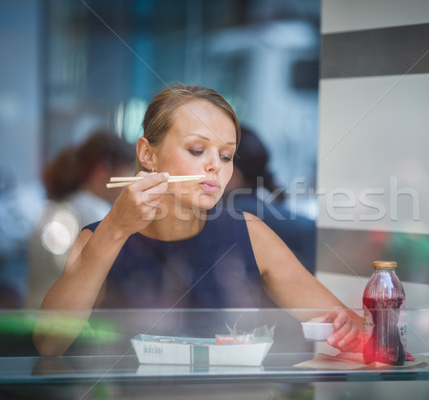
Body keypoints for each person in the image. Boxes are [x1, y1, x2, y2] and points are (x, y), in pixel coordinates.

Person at [33, 85, 362, 357]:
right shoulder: (98, 238)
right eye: (196, 150)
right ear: (147, 154)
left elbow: (343, 324)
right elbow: (49, 343)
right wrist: (116, 229)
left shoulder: (249, 232)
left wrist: (348, 330)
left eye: (226, 156)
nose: (214, 167)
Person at [25, 131, 135, 309]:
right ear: (102, 171)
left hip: (37, 313)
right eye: (130, 171)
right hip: (64, 322)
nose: (132, 181)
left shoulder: (64, 205)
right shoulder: (98, 214)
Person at [224, 126, 316, 273]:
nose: (213, 166)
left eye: (225, 158)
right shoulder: (241, 205)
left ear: (240, 169)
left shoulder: (239, 207)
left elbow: (311, 232)